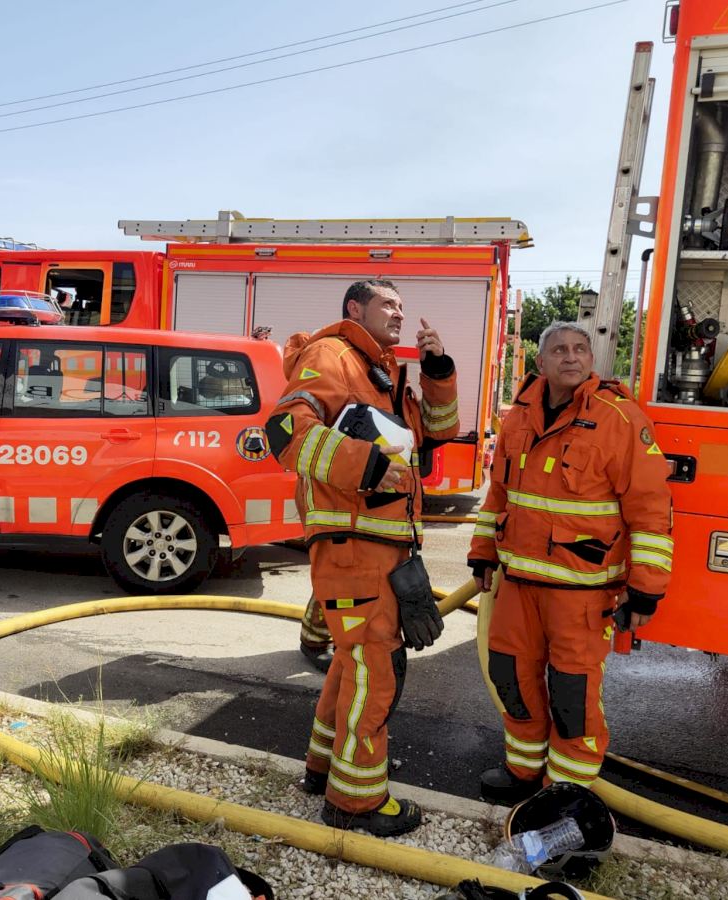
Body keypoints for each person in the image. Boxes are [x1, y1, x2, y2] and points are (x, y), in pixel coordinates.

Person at [264, 279, 460, 837]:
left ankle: (324, 768)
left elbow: (438, 433)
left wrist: (438, 370)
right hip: (356, 546)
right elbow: (285, 431)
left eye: (402, 306)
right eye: (387, 304)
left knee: (354, 664)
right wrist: (367, 467)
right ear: (356, 308)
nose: (399, 313)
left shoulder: (383, 371)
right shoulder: (332, 355)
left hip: (381, 546)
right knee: (377, 671)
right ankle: (355, 803)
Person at [468, 321, 673, 806]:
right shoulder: (519, 416)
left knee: (571, 695)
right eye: (559, 350)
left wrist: (645, 589)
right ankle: (523, 771)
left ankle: (565, 792)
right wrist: (482, 552)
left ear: (591, 360)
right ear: (541, 362)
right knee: (511, 678)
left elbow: (650, 508)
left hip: (581, 593)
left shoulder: (620, 418)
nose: (571, 356)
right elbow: (499, 495)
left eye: (580, 349)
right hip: (518, 586)